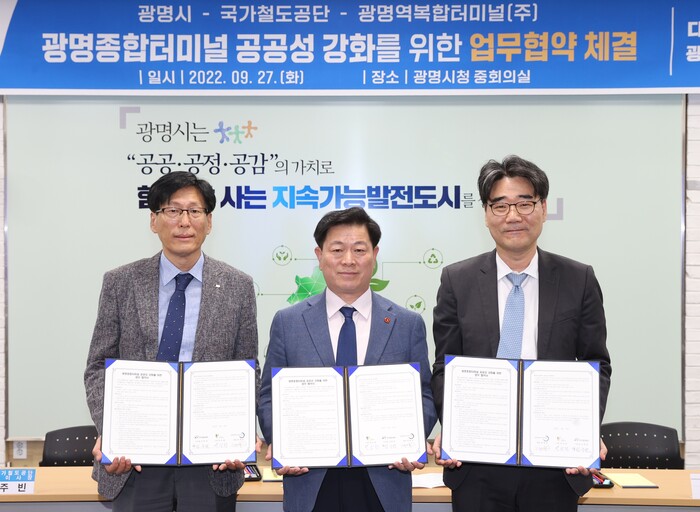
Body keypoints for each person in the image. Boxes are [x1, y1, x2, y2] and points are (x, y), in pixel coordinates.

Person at [430, 155, 612, 512]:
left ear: (543, 208)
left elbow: (596, 364)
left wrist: (584, 429)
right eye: (500, 205)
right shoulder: (457, 281)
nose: (512, 216)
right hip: (478, 465)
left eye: (524, 203)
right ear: (486, 214)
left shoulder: (578, 279)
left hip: (553, 465)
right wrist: (453, 426)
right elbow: (444, 368)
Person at [84, 171, 260, 512]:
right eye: (172, 210)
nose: (184, 222)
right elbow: (97, 367)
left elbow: (247, 370)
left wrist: (237, 430)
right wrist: (115, 430)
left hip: (209, 464)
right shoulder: (121, 282)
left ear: (209, 221)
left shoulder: (238, 286)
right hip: (136, 460)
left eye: (194, 211)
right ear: (154, 220)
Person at [257, 207, 437, 512]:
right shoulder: (288, 322)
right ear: (320, 256)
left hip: (384, 479)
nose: (348, 260)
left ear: (375, 255)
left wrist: (413, 440)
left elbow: (424, 395)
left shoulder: (407, 323)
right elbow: (268, 396)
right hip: (310, 479)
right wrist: (285, 442)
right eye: (337, 250)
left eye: (359, 250)